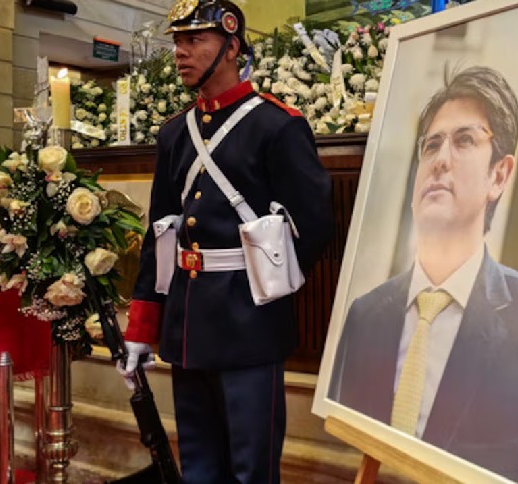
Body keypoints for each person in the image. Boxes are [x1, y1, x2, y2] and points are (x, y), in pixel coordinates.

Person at [118, 1, 334, 482]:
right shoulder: (175, 132)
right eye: (178, 41)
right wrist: (142, 326)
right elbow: (161, 231)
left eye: (195, 40)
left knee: (250, 469)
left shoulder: (277, 125)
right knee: (198, 465)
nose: (180, 52)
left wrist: (268, 284)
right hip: (188, 324)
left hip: (249, 324)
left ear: (232, 47)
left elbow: (314, 223)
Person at [328, 66, 518, 483]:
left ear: (499, 175)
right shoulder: (364, 313)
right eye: (431, 145)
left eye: (464, 140)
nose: (440, 160)